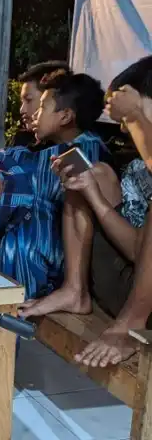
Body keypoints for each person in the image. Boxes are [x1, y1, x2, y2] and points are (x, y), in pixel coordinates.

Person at [0, 69, 111, 398]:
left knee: (18, 243)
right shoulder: (49, 149)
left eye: (42, 105)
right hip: (47, 249)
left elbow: (27, 180)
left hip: (63, 256)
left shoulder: (85, 151)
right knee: (4, 243)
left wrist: (2, 176)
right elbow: (12, 171)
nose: (32, 113)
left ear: (65, 115)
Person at [20, 55, 152, 367]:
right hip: (134, 284)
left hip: (143, 312)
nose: (124, 127)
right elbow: (138, 250)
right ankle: (74, 290)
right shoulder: (137, 169)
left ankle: (132, 322)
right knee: (90, 174)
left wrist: (136, 116)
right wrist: (92, 194)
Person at [11, 60, 71, 146]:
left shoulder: (87, 146)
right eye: (22, 101)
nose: (22, 110)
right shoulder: (21, 142)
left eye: (28, 100)